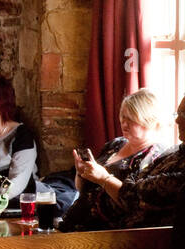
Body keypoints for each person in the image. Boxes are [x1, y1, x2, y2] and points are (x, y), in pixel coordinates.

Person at [72, 87, 185, 228]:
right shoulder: (175, 153)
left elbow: (134, 197)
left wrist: (104, 178)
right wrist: (83, 174)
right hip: (85, 221)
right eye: (178, 114)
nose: (178, 121)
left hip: (126, 237)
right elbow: (132, 185)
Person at [59, 88, 166, 231]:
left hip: (108, 234)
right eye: (123, 118)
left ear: (150, 121)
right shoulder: (116, 144)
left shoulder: (157, 156)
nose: (124, 124)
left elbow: (134, 202)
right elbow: (83, 189)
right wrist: (82, 173)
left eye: (132, 119)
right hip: (74, 223)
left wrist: (104, 178)